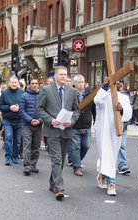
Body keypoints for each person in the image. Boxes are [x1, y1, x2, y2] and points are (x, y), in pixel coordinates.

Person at [36, 66, 80, 200]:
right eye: (61, 74)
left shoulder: (72, 91)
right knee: (56, 159)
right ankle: (59, 189)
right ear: (55, 76)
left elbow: (77, 110)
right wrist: (50, 120)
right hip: (52, 130)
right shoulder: (46, 89)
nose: (63, 77)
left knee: (60, 161)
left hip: (66, 130)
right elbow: (39, 108)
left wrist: (71, 121)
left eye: (65, 75)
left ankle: (52, 183)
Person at [94, 78, 132, 196]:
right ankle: (110, 181)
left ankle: (105, 176)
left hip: (115, 129)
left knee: (112, 153)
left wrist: (121, 111)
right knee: (105, 153)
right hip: (103, 129)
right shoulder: (104, 95)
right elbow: (98, 101)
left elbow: (128, 114)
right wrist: (104, 86)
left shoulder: (123, 98)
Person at [69, 74, 96, 176]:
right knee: (75, 147)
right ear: (74, 83)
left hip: (86, 124)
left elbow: (94, 108)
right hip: (75, 124)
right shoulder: (71, 93)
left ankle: (76, 160)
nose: (81, 84)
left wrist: (95, 120)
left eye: (82, 82)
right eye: (79, 82)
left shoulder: (89, 93)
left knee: (86, 145)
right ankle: (77, 167)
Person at [0, 76, 25, 164]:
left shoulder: (22, 93)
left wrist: (19, 108)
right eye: (12, 82)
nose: (13, 84)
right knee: (8, 138)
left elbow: (26, 105)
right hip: (7, 119)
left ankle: (15, 156)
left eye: (15, 82)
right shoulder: (5, 93)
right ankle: (8, 157)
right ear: (9, 83)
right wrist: (10, 107)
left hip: (19, 119)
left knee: (17, 140)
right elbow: (0, 105)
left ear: (18, 83)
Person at [19, 78, 43, 175]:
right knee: (27, 145)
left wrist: (40, 120)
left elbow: (45, 109)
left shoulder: (42, 96)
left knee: (36, 146)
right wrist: (30, 120)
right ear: (29, 85)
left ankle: (33, 164)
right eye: (32, 83)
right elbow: (21, 111)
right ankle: (27, 166)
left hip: (38, 124)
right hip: (27, 124)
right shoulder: (24, 96)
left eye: (36, 83)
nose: (34, 85)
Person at [117, 82, 132, 175]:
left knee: (122, 145)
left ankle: (122, 165)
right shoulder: (107, 96)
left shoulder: (124, 98)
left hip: (122, 125)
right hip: (110, 126)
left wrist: (122, 110)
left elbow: (128, 111)